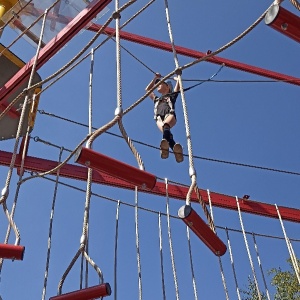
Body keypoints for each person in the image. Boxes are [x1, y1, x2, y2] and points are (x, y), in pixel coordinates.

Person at [145, 73, 183, 163]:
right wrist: (155, 79)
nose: (158, 85)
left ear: (167, 87)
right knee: (166, 132)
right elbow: (147, 90)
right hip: (159, 118)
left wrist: (177, 80)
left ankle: (164, 148)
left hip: (169, 115)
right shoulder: (157, 100)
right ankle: (175, 149)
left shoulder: (171, 96)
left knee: (166, 126)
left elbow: (178, 88)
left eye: (160, 83)